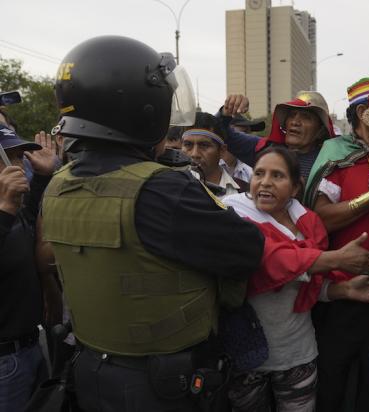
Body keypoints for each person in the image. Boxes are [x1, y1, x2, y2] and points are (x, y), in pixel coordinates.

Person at [43, 35, 264, 411]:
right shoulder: (162, 189)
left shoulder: (59, 183)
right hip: (163, 383)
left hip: (92, 369)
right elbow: (246, 250)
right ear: (143, 109)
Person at [223, 146, 369, 411]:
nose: (265, 182)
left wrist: (343, 289)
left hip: (298, 353)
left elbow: (308, 282)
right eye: (259, 173)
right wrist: (335, 259)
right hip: (248, 355)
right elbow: (270, 260)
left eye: (277, 175)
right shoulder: (234, 215)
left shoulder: (309, 222)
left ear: (295, 187)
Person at [303, 74, 369, 411]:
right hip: (343, 299)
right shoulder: (336, 156)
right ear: (365, 113)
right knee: (334, 391)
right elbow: (318, 220)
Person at [0, 127, 57, 411]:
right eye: (9, 156)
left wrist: (44, 176)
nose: (18, 164)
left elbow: (28, 222)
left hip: (32, 347)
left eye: (20, 156)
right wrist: (5, 208)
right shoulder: (5, 207)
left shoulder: (11, 207)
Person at [218, 91, 335, 179]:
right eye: (292, 115)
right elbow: (220, 131)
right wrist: (226, 112)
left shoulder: (332, 163)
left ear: (321, 131)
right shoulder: (266, 149)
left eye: (306, 117)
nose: (295, 122)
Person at [183, 112, 248, 197]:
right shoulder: (170, 188)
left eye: (204, 145)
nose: (194, 154)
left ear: (222, 150)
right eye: (188, 145)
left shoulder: (244, 192)